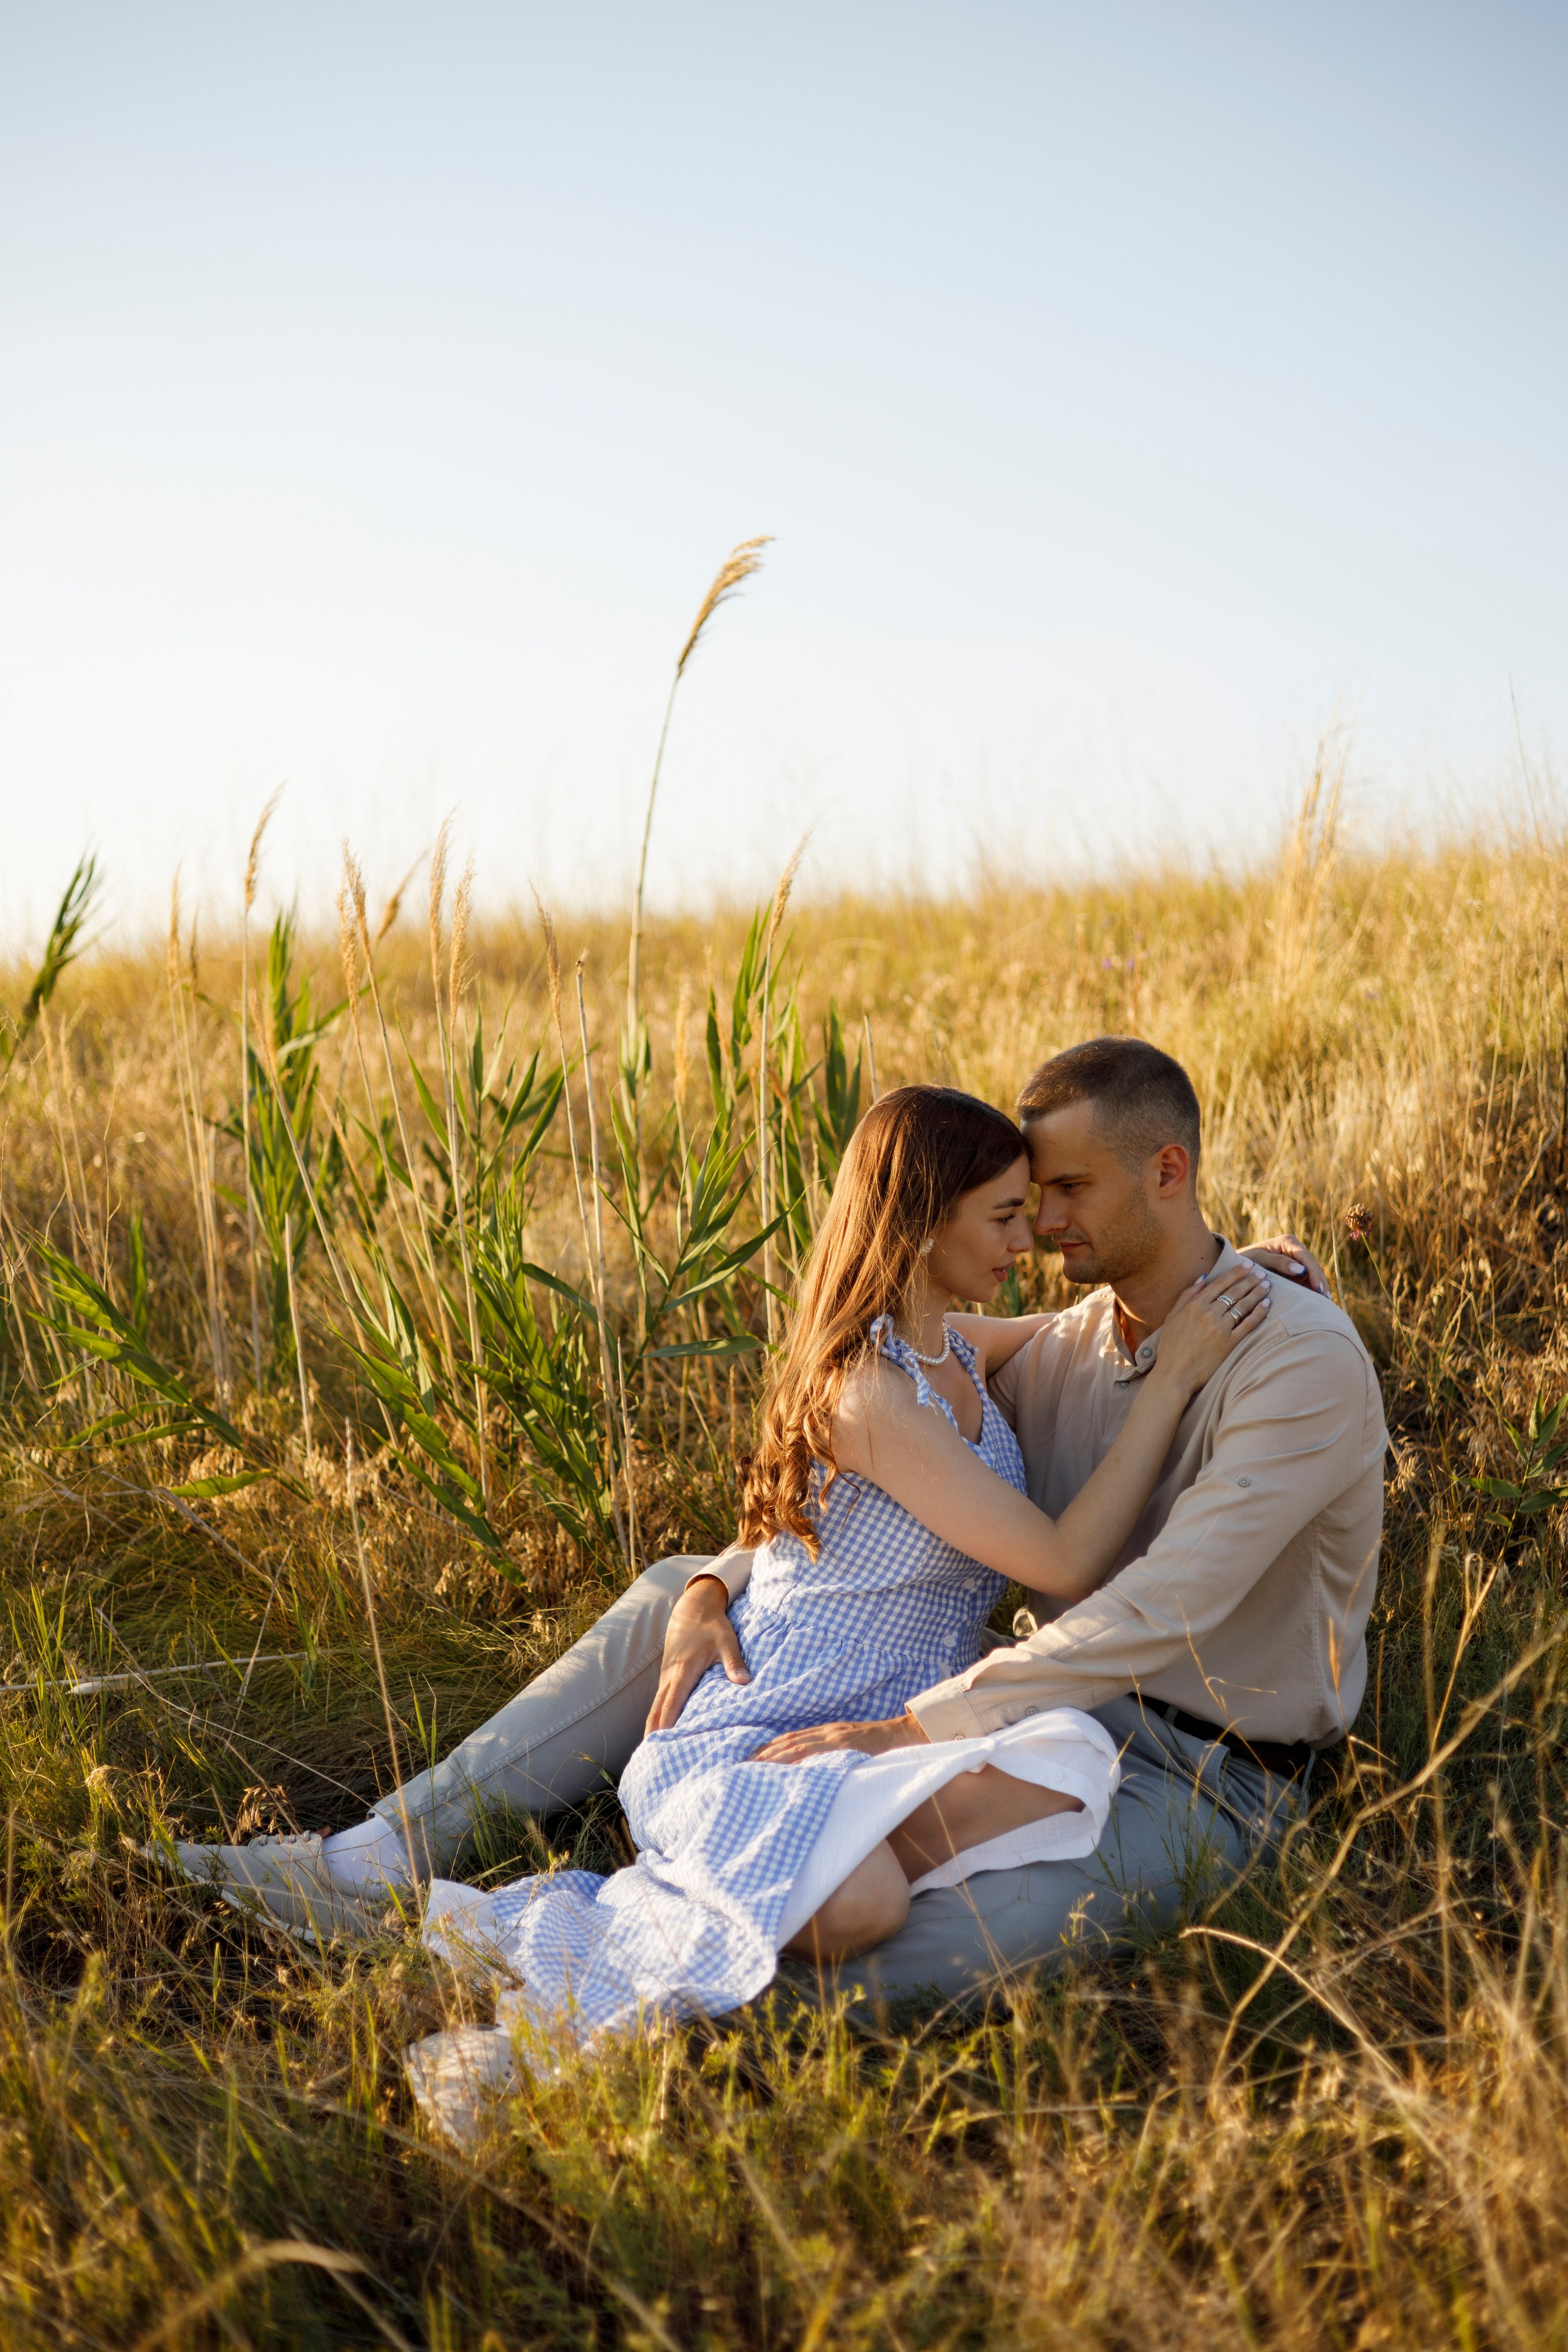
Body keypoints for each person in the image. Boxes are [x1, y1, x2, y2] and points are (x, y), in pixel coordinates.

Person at [160, 1035, 1381, 2020]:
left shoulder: (1295, 1362)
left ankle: (512, 1977)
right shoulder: (1062, 1342)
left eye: (1065, 1191)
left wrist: (912, 1724)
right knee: (677, 1593)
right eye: (1023, 1198)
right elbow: (865, 1475)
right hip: (1024, 1705)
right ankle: (367, 1866)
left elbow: (1159, 1607)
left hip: (1201, 1776)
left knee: (861, 1970)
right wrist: (716, 1579)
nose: (1042, 1224)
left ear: (1165, 1173)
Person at [406, 1085, 1268, 2037]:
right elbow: (1063, 1561)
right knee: (865, 1908)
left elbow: (1093, 1325)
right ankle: (638, 1904)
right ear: (922, 1223)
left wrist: (1222, 1275)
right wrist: (1178, 1378)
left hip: (888, 1724)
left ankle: (737, 1878)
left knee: (1070, 1767)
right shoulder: (869, 1391)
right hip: (769, 1731)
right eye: (1003, 1216)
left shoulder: (954, 1346)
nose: (1026, 1240)